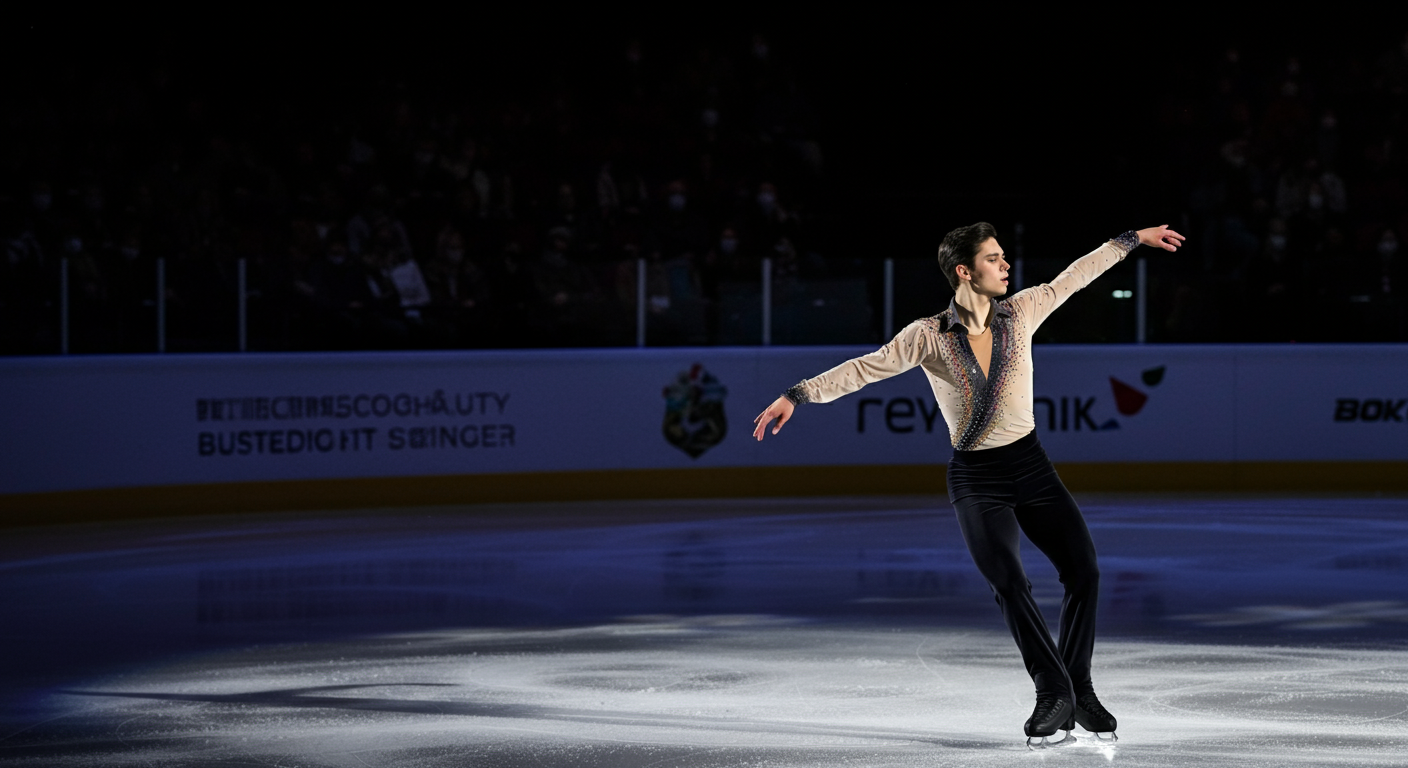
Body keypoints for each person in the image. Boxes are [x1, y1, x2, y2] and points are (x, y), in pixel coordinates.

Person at [752, 222, 1185, 746]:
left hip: (1032, 467)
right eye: (993, 258)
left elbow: (1075, 277)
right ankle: (1053, 691)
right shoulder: (928, 335)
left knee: (1084, 570)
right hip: (977, 478)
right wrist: (798, 394)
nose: (1006, 265)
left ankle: (1079, 689)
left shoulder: (1021, 311)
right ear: (965, 270)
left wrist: (1131, 239)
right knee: (1009, 582)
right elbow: (866, 368)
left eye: (1003, 257)